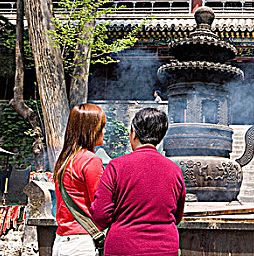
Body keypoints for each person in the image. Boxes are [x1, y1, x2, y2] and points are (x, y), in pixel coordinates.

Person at [90, 108, 186, 256]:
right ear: (160, 138)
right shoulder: (175, 170)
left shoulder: (116, 166)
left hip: (123, 247)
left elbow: (100, 216)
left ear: (133, 133)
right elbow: (177, 216)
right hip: (165, 248)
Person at [53, 104, 107, 256]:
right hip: (81, 243)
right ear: (90, 130)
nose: (104, 132)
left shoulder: (65, 160)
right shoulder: (90, 160)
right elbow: (100, 206)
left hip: (61, 240)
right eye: (101, 127)